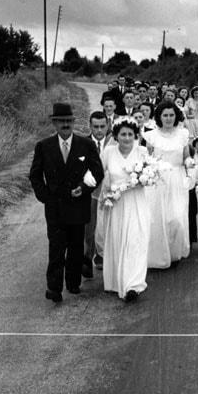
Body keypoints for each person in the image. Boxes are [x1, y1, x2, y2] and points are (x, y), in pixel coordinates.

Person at [29, 102, 104, 302]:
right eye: (61, 121)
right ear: (54, 123)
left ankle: (73, 284)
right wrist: (45, 196)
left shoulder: (86, 145)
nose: (65, 125)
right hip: (55, 207)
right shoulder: (43, 146)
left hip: (78, 205)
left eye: (68, 121)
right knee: (56, 249)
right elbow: (35, 176)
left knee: (75, 248)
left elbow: (98, 172)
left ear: (73, 123)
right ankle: (54, 288)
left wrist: (85, 188)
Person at [100, 117, 151, 302]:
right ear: (115, 135)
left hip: (136, 203)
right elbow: (99, 173)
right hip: (116, 204)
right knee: (117, 240)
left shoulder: (143, 151)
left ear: (135, 135)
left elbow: (151, 176)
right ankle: (116, 281)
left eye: (130, 134)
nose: (127, 138)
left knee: (135, 241)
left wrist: (144, 179)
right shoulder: (108, 152)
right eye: (123, 134)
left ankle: (133, 284)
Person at [144, 101, 191, 268]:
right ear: (159, 117)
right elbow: (147, 159)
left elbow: (186, 156)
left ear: (176, 116)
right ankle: (158, 256)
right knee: (158, 219)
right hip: (158, 181)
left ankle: (174, 253)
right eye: (165, 115)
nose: (169, 118)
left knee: (176, 218)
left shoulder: (183, 134)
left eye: (171, 115)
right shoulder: (151, 136)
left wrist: (190, 162)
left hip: (177, 180)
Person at [84, 111, 112, 277]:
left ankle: (103, 255)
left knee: (107, 224)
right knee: (90, 225)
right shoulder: (83, 143)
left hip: (109, 189)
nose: (99, 130)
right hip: (91, 190)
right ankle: (88, 258)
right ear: (90, 126)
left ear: (107, 126)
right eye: (96, 127)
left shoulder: (113, 143)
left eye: (102, 126)